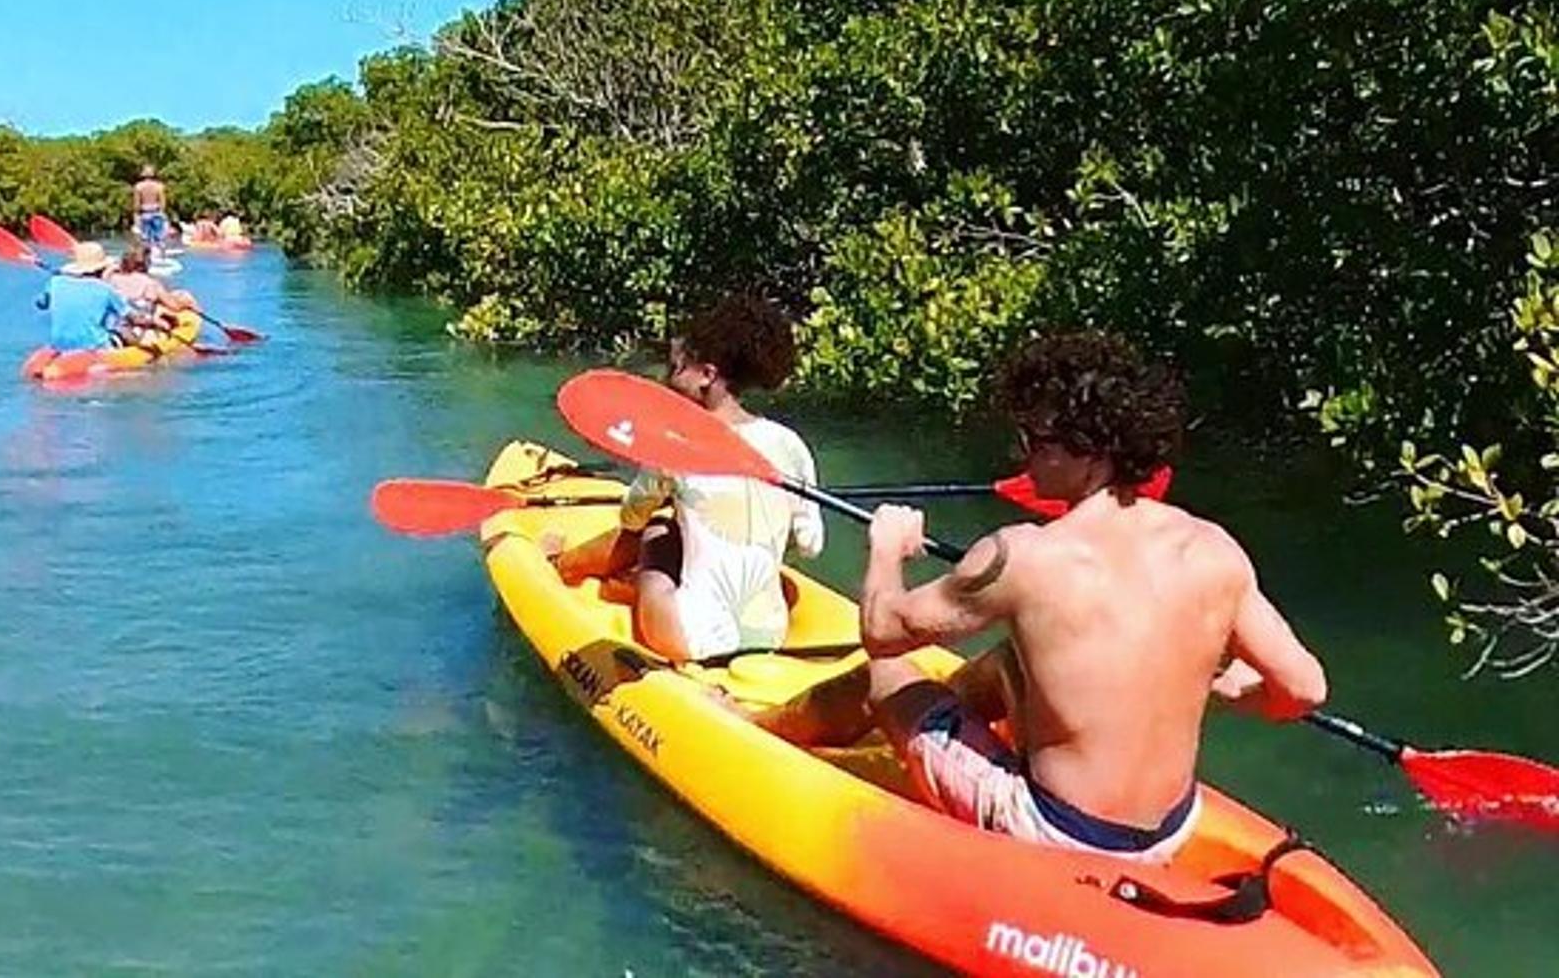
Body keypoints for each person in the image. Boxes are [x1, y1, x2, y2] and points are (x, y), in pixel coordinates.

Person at [745, 331, 1327, 866]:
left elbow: (882, 631)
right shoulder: (1212, 548)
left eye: (1036, 442)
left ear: (1093, 455)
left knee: (887, 676)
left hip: (1058, 830)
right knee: (1005, 663)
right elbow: (1303, 690)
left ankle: (759, 732)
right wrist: (1218, 688)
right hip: (1170, 830)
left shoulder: (1022, 556)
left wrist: (886, 549)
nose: (1023, 456)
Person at [548, 294, 823, 662]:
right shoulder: (791, 446)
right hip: (770, 636)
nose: (666, 380)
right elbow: (809, 544)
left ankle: (562, 566)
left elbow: (630, 518)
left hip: (687, 638)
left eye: (676, 369)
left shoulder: (676, 447)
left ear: (707, 375)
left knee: (657, 533)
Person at [35, 241, 130, 352]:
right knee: (125, 332)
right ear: (102, 269)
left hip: (60, 345)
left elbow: (41, 304)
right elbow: (128, 316)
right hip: (95, 346)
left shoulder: (55, 282)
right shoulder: (105, 289)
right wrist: (150, 322)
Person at [132, 165, 168, 253]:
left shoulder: (138, 187)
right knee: (160, 239)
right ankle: (162, 257)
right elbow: (163, 204)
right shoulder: (159, 186)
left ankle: (147, 257)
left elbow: (136, 205)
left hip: (144, 214)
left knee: (144, 239)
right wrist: (162, 214)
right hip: (157, 213)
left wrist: (136, 217)